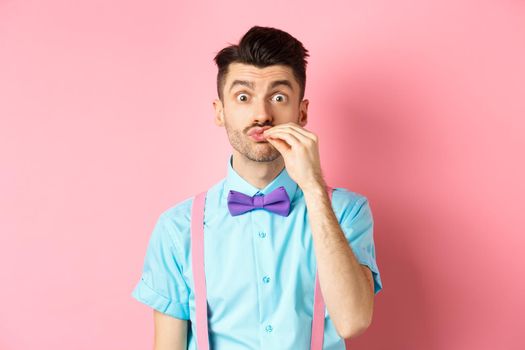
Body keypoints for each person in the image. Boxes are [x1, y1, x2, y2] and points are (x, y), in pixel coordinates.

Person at [131, 25, 383, 350]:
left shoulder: (347, 211)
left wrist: (314, 188)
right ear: (220, 112)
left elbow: (353, 320)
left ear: (301, 112)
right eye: (243, 97)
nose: (262, 114)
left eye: (278, 97)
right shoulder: (176, 228)